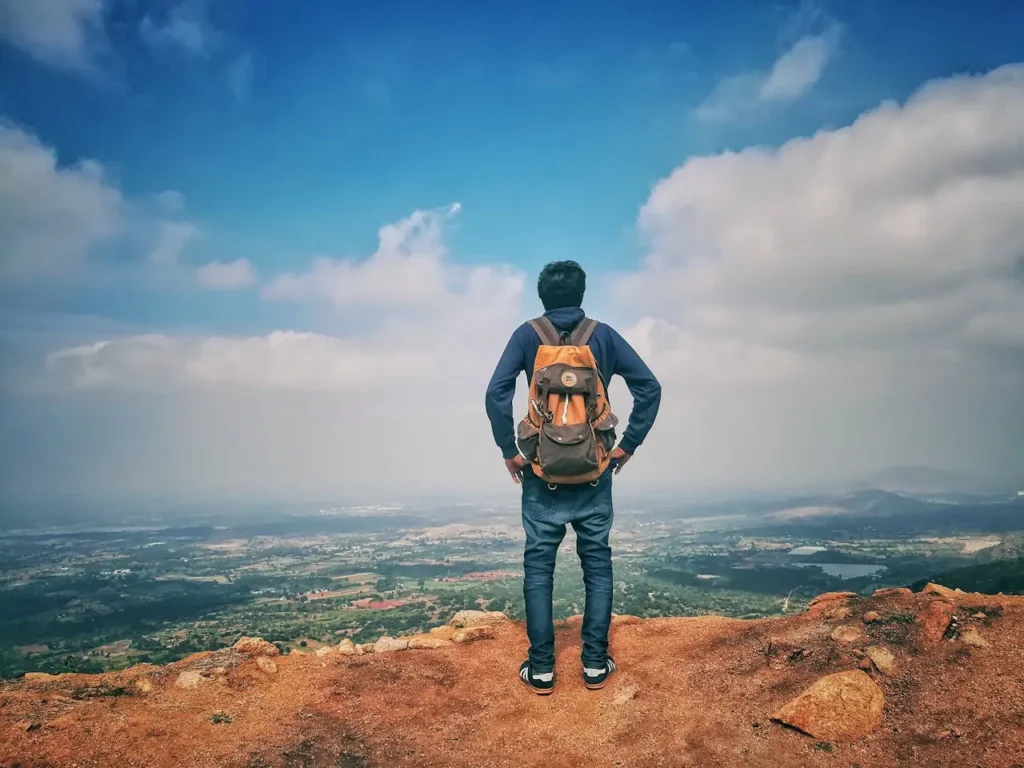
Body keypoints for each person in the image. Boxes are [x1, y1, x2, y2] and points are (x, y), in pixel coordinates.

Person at [485, 260, 661, 694]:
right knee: (597, 565)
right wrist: (627, 446)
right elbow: (650, 388)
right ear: (582, 294)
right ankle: (595, 666)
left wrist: (509, 451)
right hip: (595, 472)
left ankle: (542, 669)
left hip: (541, 474)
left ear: (542, 296)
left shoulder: (528, 335)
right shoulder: (602, 335)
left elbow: (496, 393)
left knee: (539, 568)